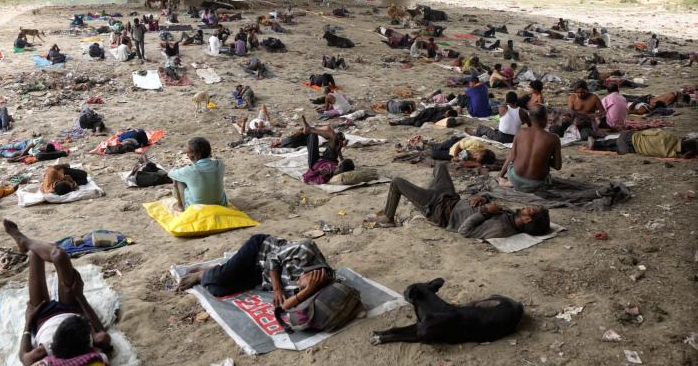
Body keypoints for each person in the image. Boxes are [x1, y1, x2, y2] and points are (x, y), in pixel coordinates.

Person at [3, 221, 112, 365]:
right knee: (59, 255)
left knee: (35, 256)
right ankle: (26, 242)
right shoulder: (97, 340)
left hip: (42, 316)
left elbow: (24, 357)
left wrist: (28, 321)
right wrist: (80, 296)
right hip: (72, 307)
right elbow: (101, 333)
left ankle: (25, 242)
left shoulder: (45, 349)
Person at [365, 162, 551, 235]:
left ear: (527, 219)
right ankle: (424, 195)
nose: (527, 207)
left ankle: (388, 217)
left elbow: (464, 230)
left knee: (397, 182)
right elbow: (488, 204)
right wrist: (482, 197)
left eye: (531, 210)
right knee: (440, 167)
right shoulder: (511, 216)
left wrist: (485, 212)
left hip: (439, 210)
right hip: (450, 198)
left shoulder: (502, 228)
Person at [175, 233, 333, 313]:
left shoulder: (310, 288)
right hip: (260, 250)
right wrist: (277, 289)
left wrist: (306, 291)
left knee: (218, 290)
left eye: (300, 285)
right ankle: (201, 274)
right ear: (313, 271)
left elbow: (284, 306)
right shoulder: (307, 250)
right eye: (301, 279)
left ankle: (212, 270)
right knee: (220, 277)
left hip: (263, 275)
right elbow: (273, 258)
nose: (296, 282)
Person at [498, 106, 562, 192]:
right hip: (537, 184)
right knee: (546, 176)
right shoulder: (553, 138)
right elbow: (558, 166)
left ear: (530, 118)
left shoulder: (520, 132)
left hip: (516, 179)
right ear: (545, 119)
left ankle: (505, 180)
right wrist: (543, 158)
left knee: (514, 154)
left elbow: (512, 157)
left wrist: (500, 175)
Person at [168, 137, 227, 211]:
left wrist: (179, 167)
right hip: (221, 205)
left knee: (177, 180)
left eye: (188, 152)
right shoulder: (220, 164)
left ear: (198, 155)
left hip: (197, 210)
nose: (187, 155)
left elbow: (170, 174)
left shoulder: (190, 170)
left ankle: (180, 207)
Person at [301, 116, 354, 185]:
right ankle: (310, 129)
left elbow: (307, 178)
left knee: (313, 136)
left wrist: (318, 172)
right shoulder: (338, 168)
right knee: (334, 136)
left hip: (315, 163)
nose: (338, 164)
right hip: (329, 159)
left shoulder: (327, 175)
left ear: (341, 168)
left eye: (340, 165)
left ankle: (310, 130)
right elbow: (341, 161)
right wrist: (338, 151)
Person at [589, 130, 697, 159]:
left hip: (627, 138)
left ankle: (597, 143)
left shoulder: (667, 136)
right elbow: (683, 156)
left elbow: (645, 133)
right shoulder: (671, 154)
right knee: (615, 148)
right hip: (628, 150)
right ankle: (597, 145)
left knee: (620, 139)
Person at [389, 105, 458, 127]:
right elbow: (435, 109)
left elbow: (435, 121)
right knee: (415, 119)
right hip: (428, 112)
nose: (446, 114)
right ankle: (398, 122)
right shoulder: (446, 108)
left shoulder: (443, 118)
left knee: (417, 124)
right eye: (447, 113)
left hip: (428, 118)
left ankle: (401, 122)